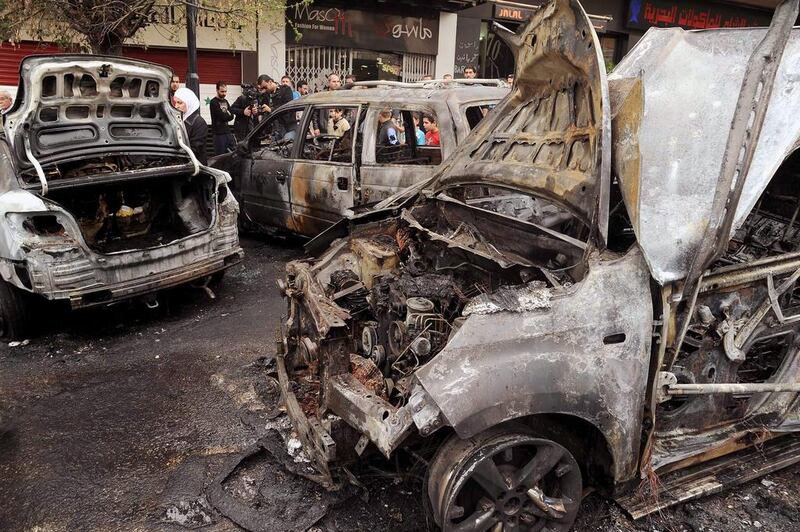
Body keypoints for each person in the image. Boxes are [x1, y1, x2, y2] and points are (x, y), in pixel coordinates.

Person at [173, 87, 208, 164]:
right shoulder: (179, 119)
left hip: (196, 168)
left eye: (180, 103)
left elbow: (194, 149)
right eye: (175, 102)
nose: (176, 106)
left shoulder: (200, 123)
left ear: (189, 103)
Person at [210, 81, 235, 156]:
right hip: (218, 134)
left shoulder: (226, 101)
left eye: (225, 91)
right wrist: (227, 115)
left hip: (227, 132)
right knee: (220, 156)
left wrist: (228, 115)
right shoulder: (213, 102)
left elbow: (232, 115)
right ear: (217, 90)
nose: (224, 93)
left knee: (231, 154)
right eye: (222, 91)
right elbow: (222, 116)